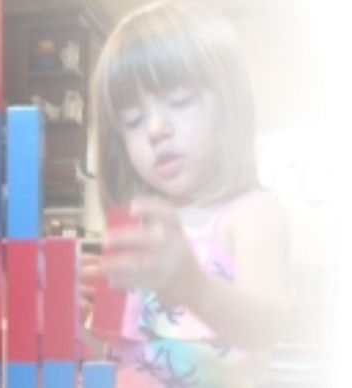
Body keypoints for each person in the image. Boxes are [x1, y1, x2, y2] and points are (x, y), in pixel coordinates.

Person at [80, 1, 292, 387]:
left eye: (179, 102)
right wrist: (68, 320)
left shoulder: (251, 216)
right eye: (133, 120)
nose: (156, 128)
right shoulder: (135, 225)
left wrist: (196, 289)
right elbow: (116, 357)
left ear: (227, 106)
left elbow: (269, 325)